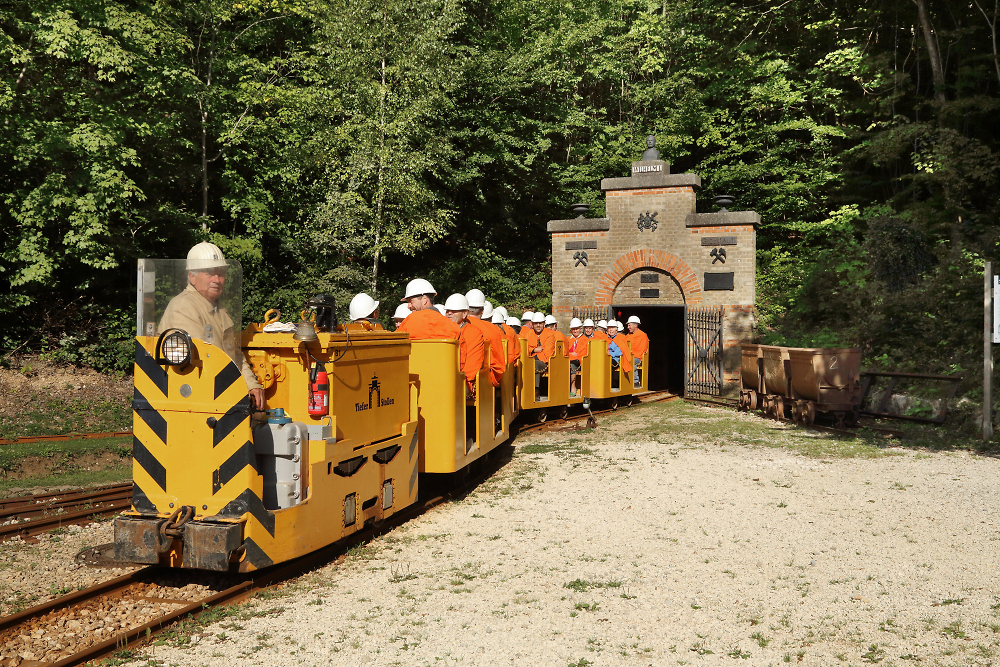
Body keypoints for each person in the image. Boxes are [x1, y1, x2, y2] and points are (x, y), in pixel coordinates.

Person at [158, 242, 264, 409]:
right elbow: (205, 359)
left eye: (220, 274)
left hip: (217, 394)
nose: (216, 280)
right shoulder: (184, 306)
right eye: (209, 274)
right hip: (193, 399)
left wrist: (251, 384)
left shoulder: (219, 309)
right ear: (192, 277)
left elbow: (234, 354)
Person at [443, 293, 486, 397]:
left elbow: (472, 366)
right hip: (442, 378)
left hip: (463, 381)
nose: (449, 313)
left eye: (454, 311)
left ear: (464, 313)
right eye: (447, 311)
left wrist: (458, 380)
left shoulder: (474, 333)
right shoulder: (441, 330)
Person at [396, 279, 461, 339]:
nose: (408, 306)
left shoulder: (409, 322)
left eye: (411, 301)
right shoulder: (454, 327)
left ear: (424, 299)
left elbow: (395, 341)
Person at [465, 289, 504, 387]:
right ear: (482, 311)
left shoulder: (454, 326)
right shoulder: (493, 329)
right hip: (483, 381)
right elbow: (499, 364)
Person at [525, 312, 555, 399]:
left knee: (534, 364)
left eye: (540, 323)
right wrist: (534, 350)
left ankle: (536, 391)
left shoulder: (550, 334)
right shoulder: (528, 334)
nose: (538, 325)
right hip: (531, 359)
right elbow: (524, 348)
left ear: (544, 323)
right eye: (536, 323)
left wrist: (532, 355)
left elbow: (547, 353)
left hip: (545, 363)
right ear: (532, 324)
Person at [567, 317, 588, 397]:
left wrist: (571, 354)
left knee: (572, 364)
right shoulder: (568, 339)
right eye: (573, 329)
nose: (575, 331)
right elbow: (564, 352)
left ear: (580, 329)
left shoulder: (585, 340)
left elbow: (582, 353)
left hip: (579, 362)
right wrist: (571, 354)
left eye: (576, 329)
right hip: (568, 360)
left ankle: (573, 386)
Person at [626, 315, 649, 387]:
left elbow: (642, 350)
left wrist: (631, 355)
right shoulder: (628, 335)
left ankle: (635, 382)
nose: (628, 327)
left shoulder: (643, 335)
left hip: (638, 358)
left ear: (635, 325)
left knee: (630, 361)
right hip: (628, 356)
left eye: (629, 325)